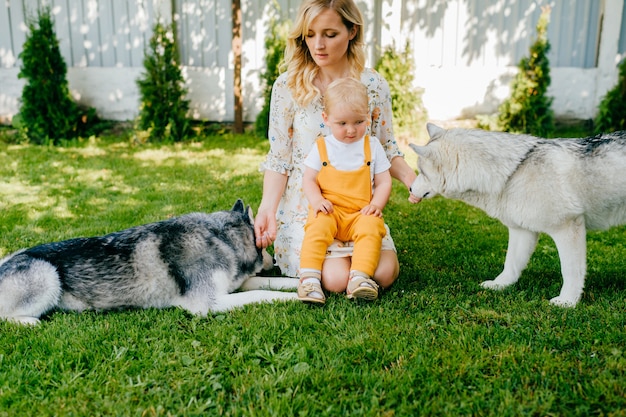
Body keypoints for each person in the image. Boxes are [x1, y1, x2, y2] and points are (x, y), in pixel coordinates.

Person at [255, 0, 418, 295]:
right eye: (310, 34)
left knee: (383, 272)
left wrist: (411, 179)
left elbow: (386, 146)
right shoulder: (287, 87)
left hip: (357, 206)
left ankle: (358, 264)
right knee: (334, 280)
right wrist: (267, 208)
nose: (318, 45)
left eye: (330, 34)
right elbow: (279, 159)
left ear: (352, 31)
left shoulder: (372, 84)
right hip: (312, 206)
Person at [298, 77, 392, 304]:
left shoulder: (372, 146)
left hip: (360, 213)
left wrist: (376, 205)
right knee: (317, 226)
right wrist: (317, 200)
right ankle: (309, 279)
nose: (351, 130)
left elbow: (384, 182)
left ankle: (360, 278)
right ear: (326, 119)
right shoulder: (322, 147)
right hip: (331, 211)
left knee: (371, 226)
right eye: (342, 124)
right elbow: (309, 179)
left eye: (359, 122)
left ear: (368, 117)